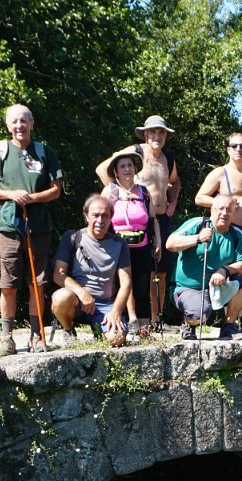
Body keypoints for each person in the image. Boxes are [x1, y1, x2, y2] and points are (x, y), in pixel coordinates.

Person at [0, 104, 62, 355]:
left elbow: (56, 189)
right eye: (14, 122)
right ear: (8, 126)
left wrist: (32, 198)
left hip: (39, 227)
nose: (19, 126)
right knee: (7, 283)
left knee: (37, 283)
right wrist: (11, 195)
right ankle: (7, 338)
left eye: (24, 121)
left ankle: (37, 336)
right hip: (7, 226)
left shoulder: (45, 152)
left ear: (32, 124)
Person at [96, 115, 181, 330]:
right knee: (133, 272)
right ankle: (134, 318)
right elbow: (101, 169)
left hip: (158, 219)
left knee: (160, 271)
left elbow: (175, 181)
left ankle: (155, 319)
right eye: (152, 132)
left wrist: (173, 201)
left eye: (161, 132)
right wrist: (119, 192)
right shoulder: (135, 151)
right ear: (145, 134)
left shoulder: (167, 158)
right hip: (132, 222)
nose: (157, 136)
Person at [193, 132, 242, 336]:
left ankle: (241, 322)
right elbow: (199, 197)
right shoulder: (220, 173)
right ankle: (222, 320)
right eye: (234, 146)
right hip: (233, 232)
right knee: (232, 273)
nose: (239, 149)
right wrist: (224, 203)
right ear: (228, 149)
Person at [50, 195, 132, 347]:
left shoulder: (119, 244)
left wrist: (116, 311)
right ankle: (68, 330)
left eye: (105, 216)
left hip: (105, 304)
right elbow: (58, 274)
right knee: (61, 297)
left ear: (111, 218)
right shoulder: (73, 237)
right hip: (76, 301)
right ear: (86, 216)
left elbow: (126, 284)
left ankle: (100, 331)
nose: (100, 220)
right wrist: (82, 293)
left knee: (117, 339)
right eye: (95, 215)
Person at [166, 195, 242, 340]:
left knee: (241, 283)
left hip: (216, 286)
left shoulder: (237, 235)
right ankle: (188, 325)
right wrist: (197, 238)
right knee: (200, 313)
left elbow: (241, 265)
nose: (224, 213)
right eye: (220, 208)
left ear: (233, 213)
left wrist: (225, 270)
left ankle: (229, 327)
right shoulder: (197, 224)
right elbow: (170, 243)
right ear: (212, 210)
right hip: (186, 288)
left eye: (229, 210)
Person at [100, 152, 155, 336]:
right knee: (125, 283)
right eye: (122, 166)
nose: (127, 169)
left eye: (130, 165)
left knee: (142, 285)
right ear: (116, 171)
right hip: (118, 246)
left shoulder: (144, 192)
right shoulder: (110, 191)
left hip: (142, 244)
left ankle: (145, 325)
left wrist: (159, 242)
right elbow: (100, 215)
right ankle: (132, 320)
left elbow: (152, 219)